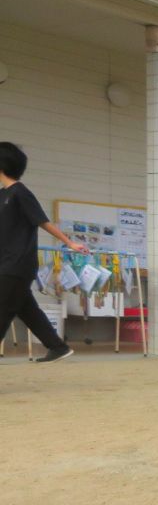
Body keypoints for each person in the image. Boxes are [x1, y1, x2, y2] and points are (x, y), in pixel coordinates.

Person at [0, 141, 89, 362]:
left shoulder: (20, 193)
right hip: (6, 263)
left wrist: (69, 243)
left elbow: (43, 221)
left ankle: (57, 346)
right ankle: (57, 346)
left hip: (17, 264)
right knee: (25, 308)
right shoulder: (2, 195)